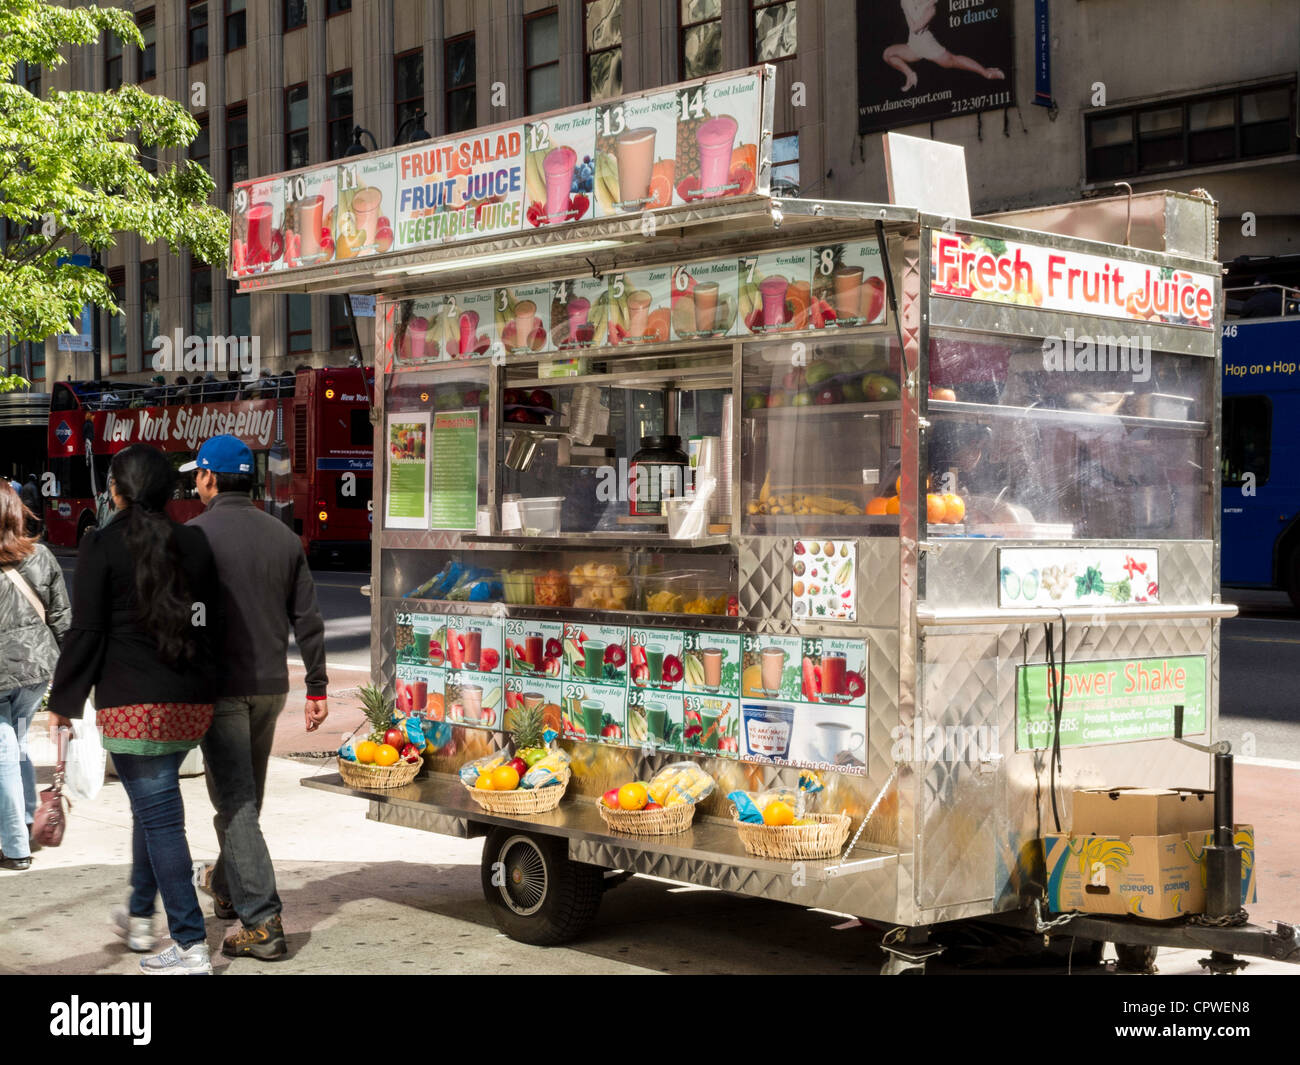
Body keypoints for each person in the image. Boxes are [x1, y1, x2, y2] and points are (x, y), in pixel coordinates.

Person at [47, 444, 222, 975]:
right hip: (189, 704)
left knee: (162, 819)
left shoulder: (101, 545)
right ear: (169, 490)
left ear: (117, 492)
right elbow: (207, 621)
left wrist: (63, 703)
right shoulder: (193, 543)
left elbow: (87, 632)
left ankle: (190, 944)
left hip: (132, 707)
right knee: (155, 813)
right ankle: (142, 915)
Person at [185, 435, 329, 961]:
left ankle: (263, 921)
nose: (195, 483)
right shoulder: (283, 537)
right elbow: (308, 619)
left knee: (236, 803)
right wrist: (318, 686)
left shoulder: (193, 536)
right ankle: (227, 886)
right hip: (272, 688)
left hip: (221, 689)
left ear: (210, 479)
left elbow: (181, 620)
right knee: (247, 798)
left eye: (196, 475)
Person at [0, 483, 70, 870]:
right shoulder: (41, 555)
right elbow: (62, 617)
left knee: (5, 751)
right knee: (18, 742)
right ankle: (27, 821)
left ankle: (14, 846)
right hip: (38, 670)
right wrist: (73, 678)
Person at [883, 0, 1006, 92]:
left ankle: (986, 73)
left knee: (953, 60)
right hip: (913, 46)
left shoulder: (931, 9)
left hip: (927, 45)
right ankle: (910, 74)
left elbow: (914, 28)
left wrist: (907, 7)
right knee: (887, 54)